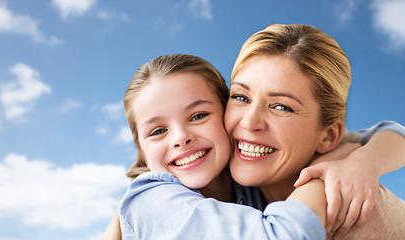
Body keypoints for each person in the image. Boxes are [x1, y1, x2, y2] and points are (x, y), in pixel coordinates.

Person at [105, 46, 405, 239]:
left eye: (198, 116)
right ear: (141, 151)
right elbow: (285, 235)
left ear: (225, 113)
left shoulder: (247, 178)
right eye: (157, 131)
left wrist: (364, 161)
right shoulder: (150, 200)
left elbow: (385, 133)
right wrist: (325, 170)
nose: (181, 137)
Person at [224, 23, 405, 239]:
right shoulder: (207, 170)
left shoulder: (350, 211)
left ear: (328, 136)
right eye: (241, 97)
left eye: (282, 107)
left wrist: (364, 162)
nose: (249, 122)